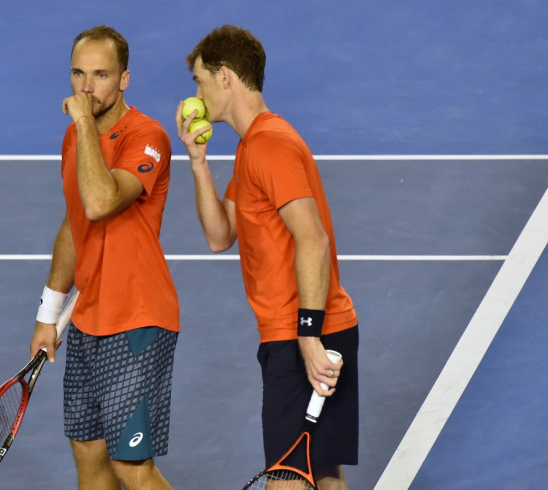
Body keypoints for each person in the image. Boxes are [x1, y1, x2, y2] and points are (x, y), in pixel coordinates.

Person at [176, 25, 359, 489]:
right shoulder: (251, 147)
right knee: (324, 476)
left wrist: (307, 337)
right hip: (314, 329)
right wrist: (198, 164)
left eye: (199, 80)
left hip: (305, 333)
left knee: (288, 481)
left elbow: (312, 240)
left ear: (225, 78)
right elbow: (221, 236)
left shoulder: (268, 145)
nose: (195, 93)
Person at [30, 25, 178, 490]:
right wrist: (47, 315)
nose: (86, 87)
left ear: (124, 80)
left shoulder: (147, 137)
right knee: (89, 459)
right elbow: (76, 224)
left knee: (132, 467)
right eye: (78, 74)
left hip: (137, 320)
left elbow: (100, 201)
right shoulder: (76, 141)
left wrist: (82, 125)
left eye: (100, 75)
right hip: (88, 320)